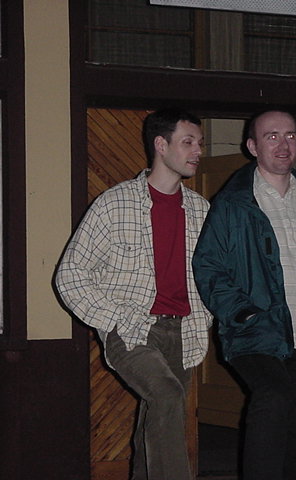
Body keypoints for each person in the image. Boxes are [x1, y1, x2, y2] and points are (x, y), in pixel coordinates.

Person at [55, 108, 213, 480]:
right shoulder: (114, 204)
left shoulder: (202, 210)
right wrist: (114, 318)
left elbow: (216, 276)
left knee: (159, 415)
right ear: (161, 145)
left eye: (200, 143)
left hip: (184, 331)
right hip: (131, 329)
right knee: (167, 395)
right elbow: (70, 275)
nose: (198, 151)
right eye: (188, 142)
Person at [192, 110, 296, 480]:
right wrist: (241, 312)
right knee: (273, 398)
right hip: (256, 331)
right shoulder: (233, 203)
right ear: (252, 146)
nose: (283, 144)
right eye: (271, 136)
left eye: (290, 135)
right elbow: (207, 265)